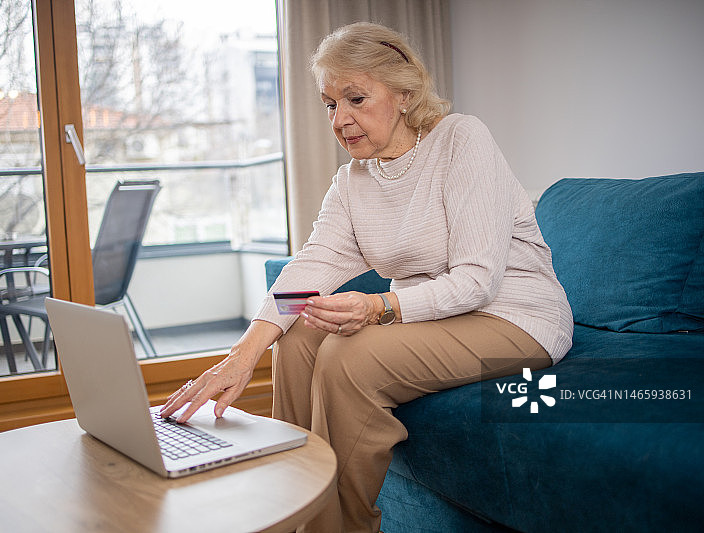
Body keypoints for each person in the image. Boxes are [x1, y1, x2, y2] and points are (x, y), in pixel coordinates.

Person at [161, 21, 573, 533]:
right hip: (435, 317)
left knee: (349, 355)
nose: (340, 118)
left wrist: (380, 308)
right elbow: (312, 266)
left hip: (514, 316)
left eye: (355, 98)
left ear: (403, 94)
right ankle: (293, 511)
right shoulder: (353, 180)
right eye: (331, 104)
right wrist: (240, 357)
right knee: (296, 338)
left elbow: (477, 281)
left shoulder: (460, 139)